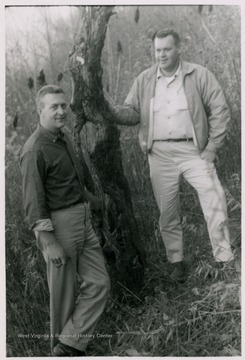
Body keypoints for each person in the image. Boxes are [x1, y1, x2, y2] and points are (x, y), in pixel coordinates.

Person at [108, 28, 234, 282]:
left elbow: (220, 110)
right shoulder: (144, 79)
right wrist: (106, 108)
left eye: (166, 49)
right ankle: (176, 262)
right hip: (160, 153)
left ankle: (224, 259)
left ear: (178, 49)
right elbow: (132, 112)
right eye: (157, 50)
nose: (161, 55)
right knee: (167, 211)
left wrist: (211, 148)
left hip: (195, 150)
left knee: (215, 199)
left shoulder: (198, 74)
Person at [20, 85, 110, 356]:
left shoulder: (65, 136)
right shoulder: (35, 149)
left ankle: (70, 343)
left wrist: (96, 202)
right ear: (40, 110)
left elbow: (73, 182)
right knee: (63, 295)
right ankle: (60, 352)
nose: (61, 111)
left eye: (63, 106)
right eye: (54, 107)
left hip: (82, 220)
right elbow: (33, 203)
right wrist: (49, 242)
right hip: (59, 227)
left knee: (99, 283)